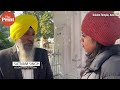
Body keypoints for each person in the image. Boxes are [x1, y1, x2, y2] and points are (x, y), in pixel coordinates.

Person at [0, 14, 53, 79]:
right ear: (16, 36)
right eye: (26, 34)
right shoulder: (2, 57)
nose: (30, 38)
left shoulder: (42, 54)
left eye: (33, 34)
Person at [80, 11, 120, 79]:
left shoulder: (113, 66)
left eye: (84, 35)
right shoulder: (95, 61)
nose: (81, 40)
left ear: (98, 39)